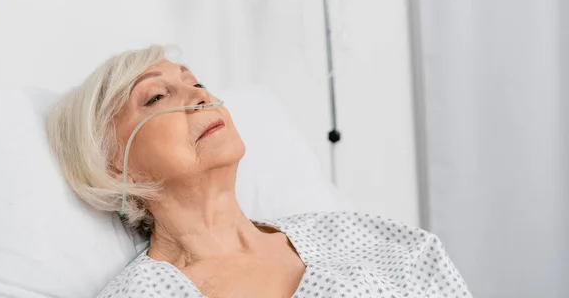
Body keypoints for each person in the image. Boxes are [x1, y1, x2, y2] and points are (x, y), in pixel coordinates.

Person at [46, 45, 472, 298]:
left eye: (195, 81)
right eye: (157, 97)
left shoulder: (356, 235)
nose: (199, 95)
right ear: (112, 163)